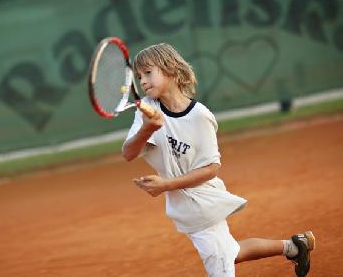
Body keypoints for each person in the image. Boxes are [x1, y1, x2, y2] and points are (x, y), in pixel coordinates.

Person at [121, 43, 315, 277]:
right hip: (183, 207)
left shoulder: (200, 116)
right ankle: (294, 246)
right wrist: (146, 129)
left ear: (170, 69)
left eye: (148, 73)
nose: (142, 81)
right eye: (139, 76)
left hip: (203, 203)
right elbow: (128, 153)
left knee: (220, 265)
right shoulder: (147, 110)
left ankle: (294, 246)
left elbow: (211, 168)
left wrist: (165, 185)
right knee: (230, 251)